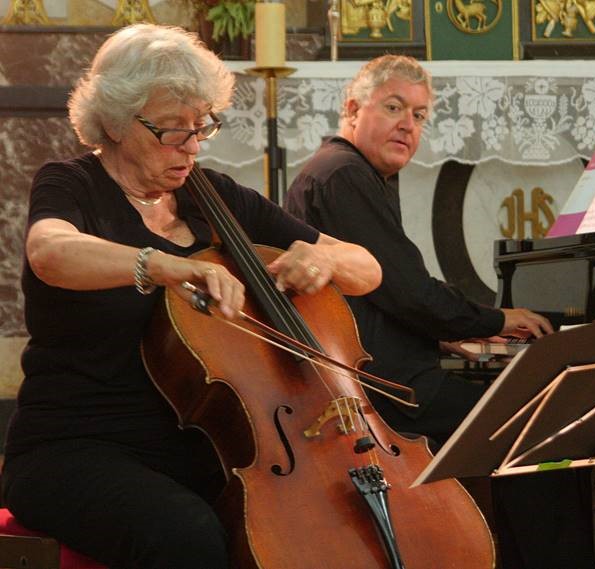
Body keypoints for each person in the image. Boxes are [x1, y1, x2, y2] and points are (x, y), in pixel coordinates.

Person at [0, 24, 381, 569]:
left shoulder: (216, 198)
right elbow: (50, 251)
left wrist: (322, 258)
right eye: (172, 130)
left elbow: (367, 269)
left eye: (201, 127)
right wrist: (160, 266)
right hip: (75, 448)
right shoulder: (71, 184)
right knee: (187, 534)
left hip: (208, 451)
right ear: (115, 119)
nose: (193, 147)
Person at [285, 55, 595, 569]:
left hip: (386, 375)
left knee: (520, 416)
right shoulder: (343, 175)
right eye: (394, 107)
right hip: (384, 390)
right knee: (536, 423)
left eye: (421, 115)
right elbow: (406, 289)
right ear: (353, 108)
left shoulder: (346, 172)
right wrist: (496, 320)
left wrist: (446, 336)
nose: (409, 124)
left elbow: (380, 295)